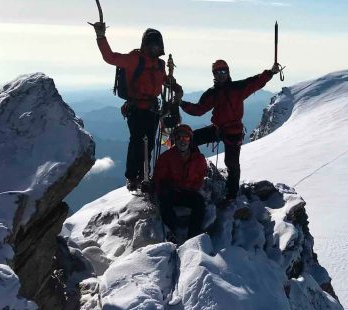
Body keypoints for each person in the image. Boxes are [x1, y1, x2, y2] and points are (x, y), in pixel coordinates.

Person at [178, 59, 281, 206]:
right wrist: (182, 104)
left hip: (233, 131)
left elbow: (256, 81)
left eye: (223, 72)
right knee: (191, 139)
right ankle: (195, 170)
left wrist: (270, 72)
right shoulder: (213, 93)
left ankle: (231, 195)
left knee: (231, 164)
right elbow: (199, 110)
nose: (221, 75)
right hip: (219, 128)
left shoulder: (237, 88)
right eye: (218, 72)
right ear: (214, 74)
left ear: (227, 72)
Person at [91, 22, 174, 191]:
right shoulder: (134, 59)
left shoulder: (159, 64)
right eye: (153, 45)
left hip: (152, 109)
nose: (155, 48)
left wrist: (173, 84)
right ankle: (132, 177)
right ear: (146, 45)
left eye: (157, 46)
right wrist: (101, 37)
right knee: (137, 141)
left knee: (149, 143)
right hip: (136, 108)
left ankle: (145, 175)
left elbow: (163, 80)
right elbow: (111, 58)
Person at [152, 124, 208, 240]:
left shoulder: (198, 159)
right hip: (171, 192)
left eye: (186, 138)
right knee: (165, 203)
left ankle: (193, 236)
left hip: (188, 192)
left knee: (199, 203)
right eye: (179, 138)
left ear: (190, 140)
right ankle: (171, 234)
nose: (182, 141)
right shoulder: (166, 157)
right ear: (175, 140)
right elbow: (158, 178)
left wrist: (190, 188)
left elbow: (200, 178)